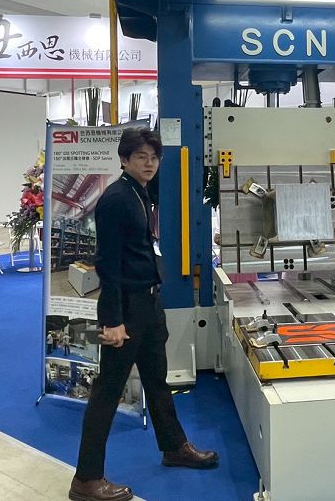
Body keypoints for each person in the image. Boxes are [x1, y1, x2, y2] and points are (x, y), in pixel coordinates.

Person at [70, 127, 217, 501]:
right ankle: (86, 479)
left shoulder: (140, 192)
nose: (149, 163)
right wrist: (112, 321)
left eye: (154, 157)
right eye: (141, 157)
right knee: (108, 390)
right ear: (124, 160)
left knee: (157, 381)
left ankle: (174, 447)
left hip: (149, 304)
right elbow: (107, 263)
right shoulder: (116, 199)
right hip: (127, 309)